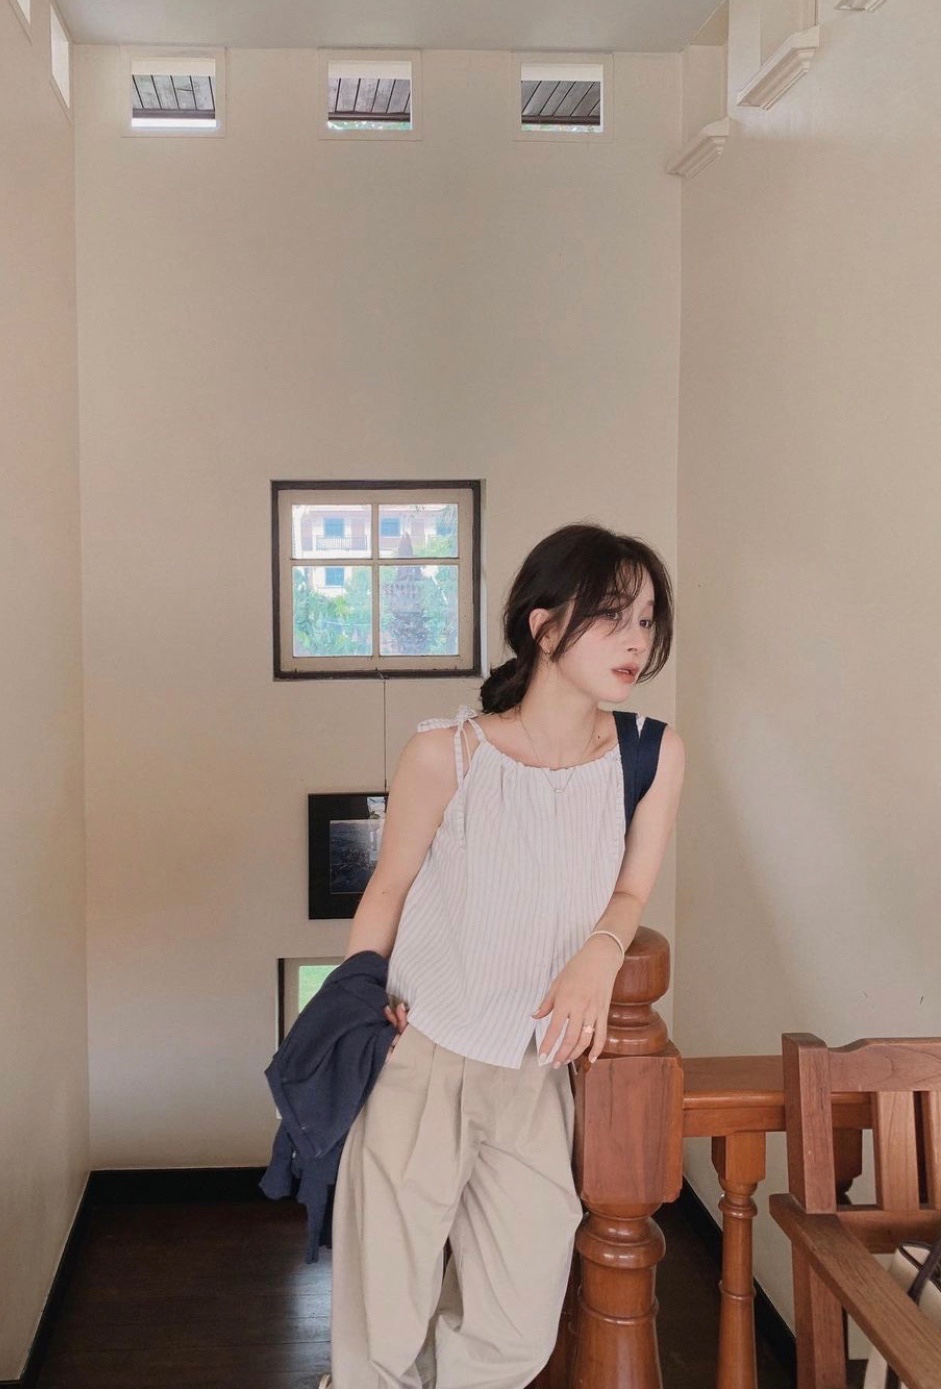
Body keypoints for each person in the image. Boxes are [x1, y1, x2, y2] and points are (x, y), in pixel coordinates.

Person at [319, 521, 685, 1389]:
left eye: (645, 619)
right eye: (611, 616)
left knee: (516, 1328)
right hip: (420, 1057)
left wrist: (599, 954)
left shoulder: (649, 752)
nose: (635, 639)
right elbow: (386, 892)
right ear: (542, 625)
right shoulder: (445, 753)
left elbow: (629, 891)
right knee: (379, 1330)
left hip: (534, 1072)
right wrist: (357, 1014)